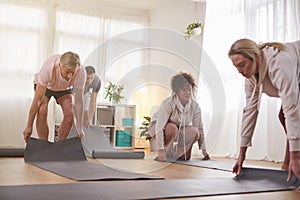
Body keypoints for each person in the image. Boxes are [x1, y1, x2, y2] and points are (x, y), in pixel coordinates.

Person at [228, 38, 300, 181]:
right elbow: (250, 112)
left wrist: (295, 156)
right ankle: (288, 165)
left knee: (287, 115)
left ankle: (292, 161)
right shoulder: (249, 76)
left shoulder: (278, 63)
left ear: (255, 56)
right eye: (236, 67)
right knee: (284, 116)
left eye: (242, 65)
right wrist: (241, 155)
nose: (240, 71)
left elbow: (292, 109)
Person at [23, 51, 86, 143]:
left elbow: (79, 101)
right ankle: (44, 145)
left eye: (73, 72)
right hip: (46, 87)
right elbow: (37, 100)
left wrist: (79, 128)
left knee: (70, 113)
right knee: (42, 110)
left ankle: (59, 146)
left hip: (64, 88)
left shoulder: (81, 72)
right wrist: (29, 126)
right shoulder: (49, 68)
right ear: (60, 66)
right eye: (67, 72)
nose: (70, 76)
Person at [149, 71, 210, 162]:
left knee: (195, 132)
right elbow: (159, 127)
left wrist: (204, 151)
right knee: (172, 128)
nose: (187, 93)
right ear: (177, 91)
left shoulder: (195, 106)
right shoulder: (168, 103)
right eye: (184, 90)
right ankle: (167, 152)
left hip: (179, 129)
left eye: (189, 89)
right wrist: (160, 151)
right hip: (160, 127)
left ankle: (178, 152)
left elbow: (200, 128)